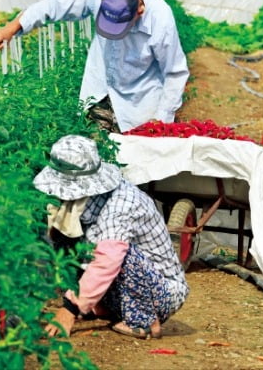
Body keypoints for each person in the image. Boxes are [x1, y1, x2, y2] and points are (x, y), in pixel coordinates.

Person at [33, 135, 189, 338]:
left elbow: (107, 261)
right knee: (66, 239)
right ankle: (104, 306)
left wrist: (71, 308)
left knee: (119, 253)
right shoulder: (85, 202)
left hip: (162, 291)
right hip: (126, 288)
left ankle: (144, 321)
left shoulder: (121, 205)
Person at [0, 0, 190, 133]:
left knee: (134, 169)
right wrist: (12, 27)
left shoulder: (160, 19)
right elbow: (55, 5)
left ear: (140, 11)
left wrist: (162, 120)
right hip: (99, 91)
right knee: (96, 162)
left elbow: (175, 73)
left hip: (139, 104)